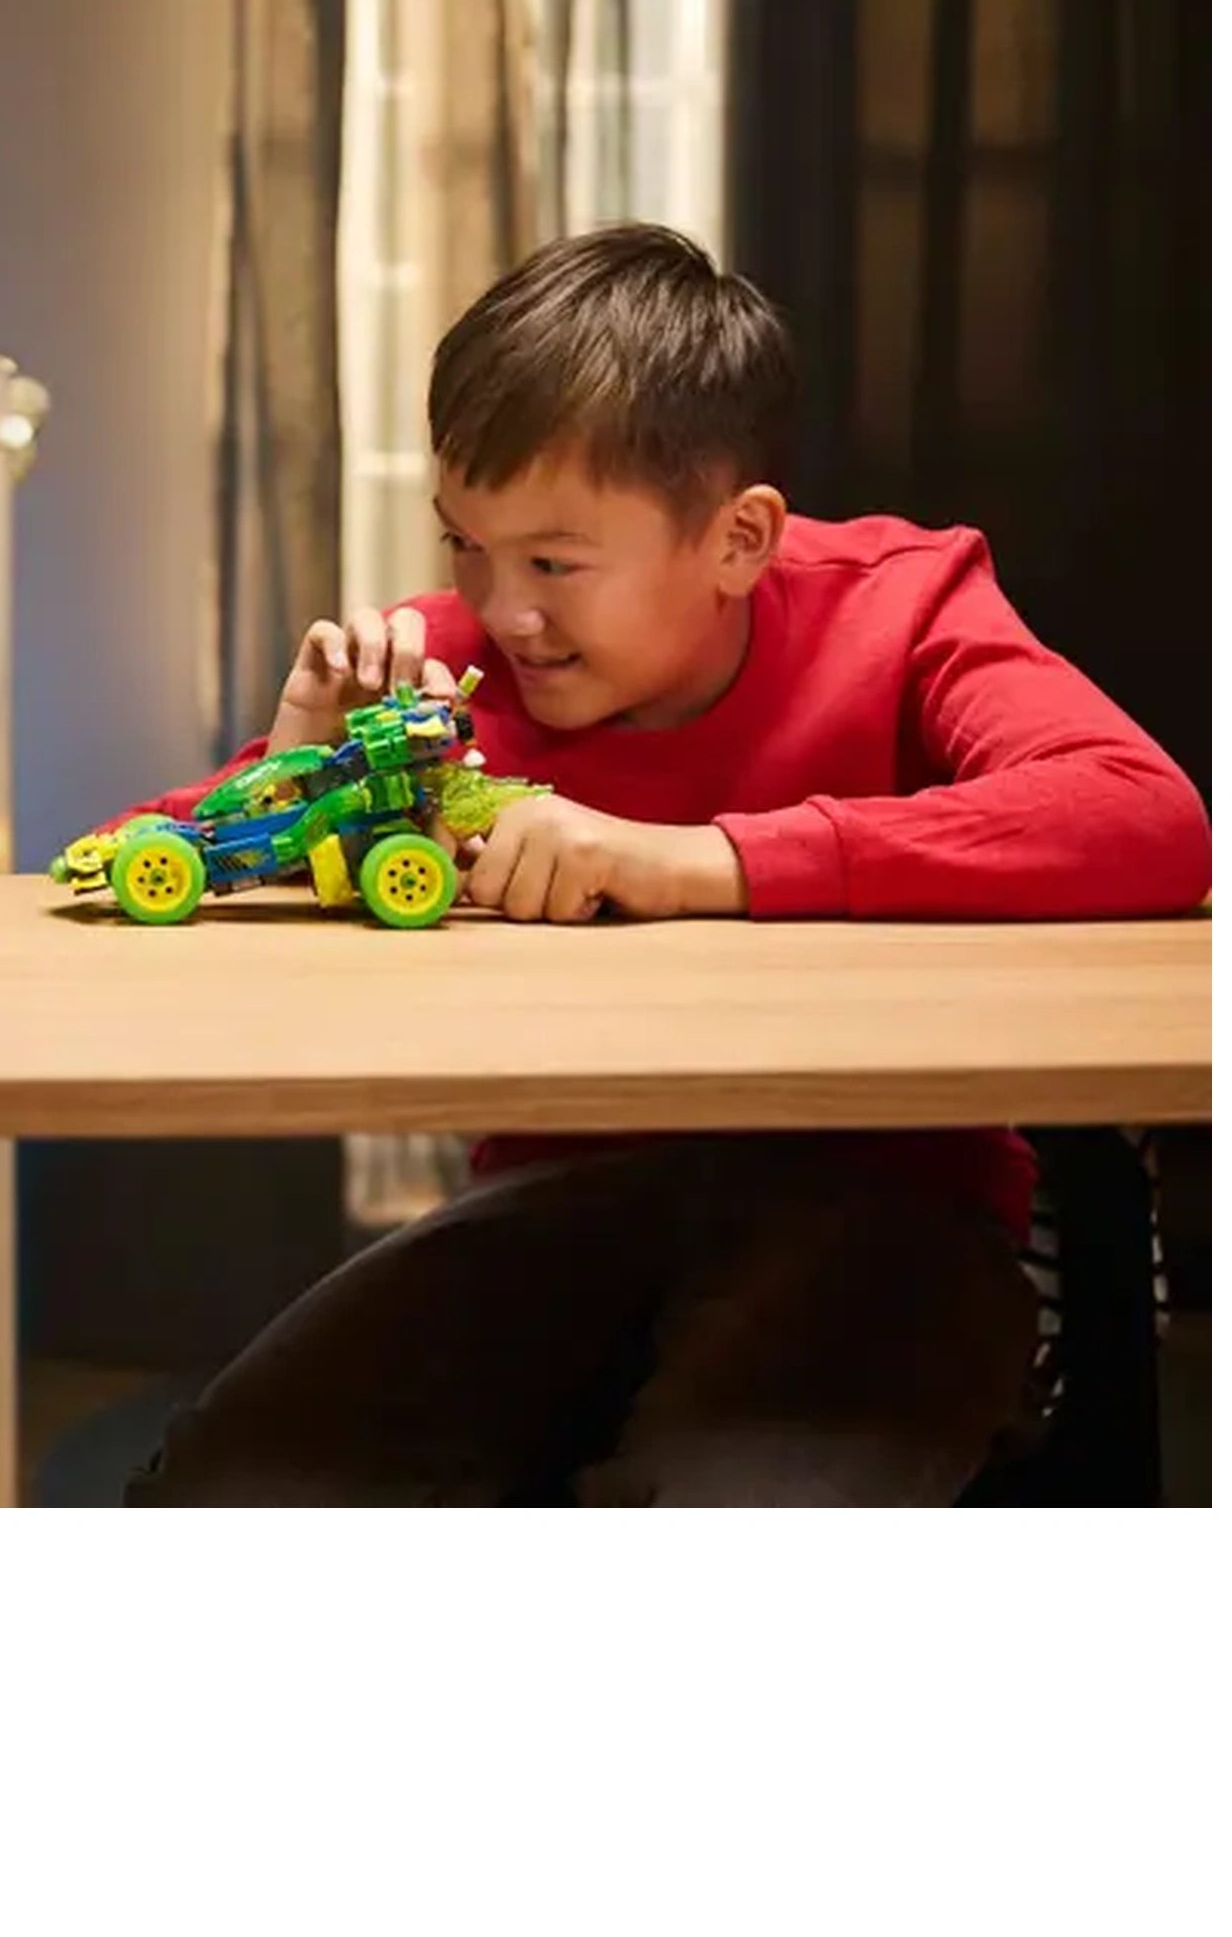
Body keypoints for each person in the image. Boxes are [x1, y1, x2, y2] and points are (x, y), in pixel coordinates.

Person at [119, 223, 1210, 1505]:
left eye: (553, 561)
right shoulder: (439, 668)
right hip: (555, 1199)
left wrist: (694, 862)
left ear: (739, 538)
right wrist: (297, 759)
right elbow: (138, 870)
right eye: (465, 542)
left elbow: (1143, 814)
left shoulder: (900, 602)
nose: (502, 608)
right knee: (230, 1485)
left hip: (886, 1196)